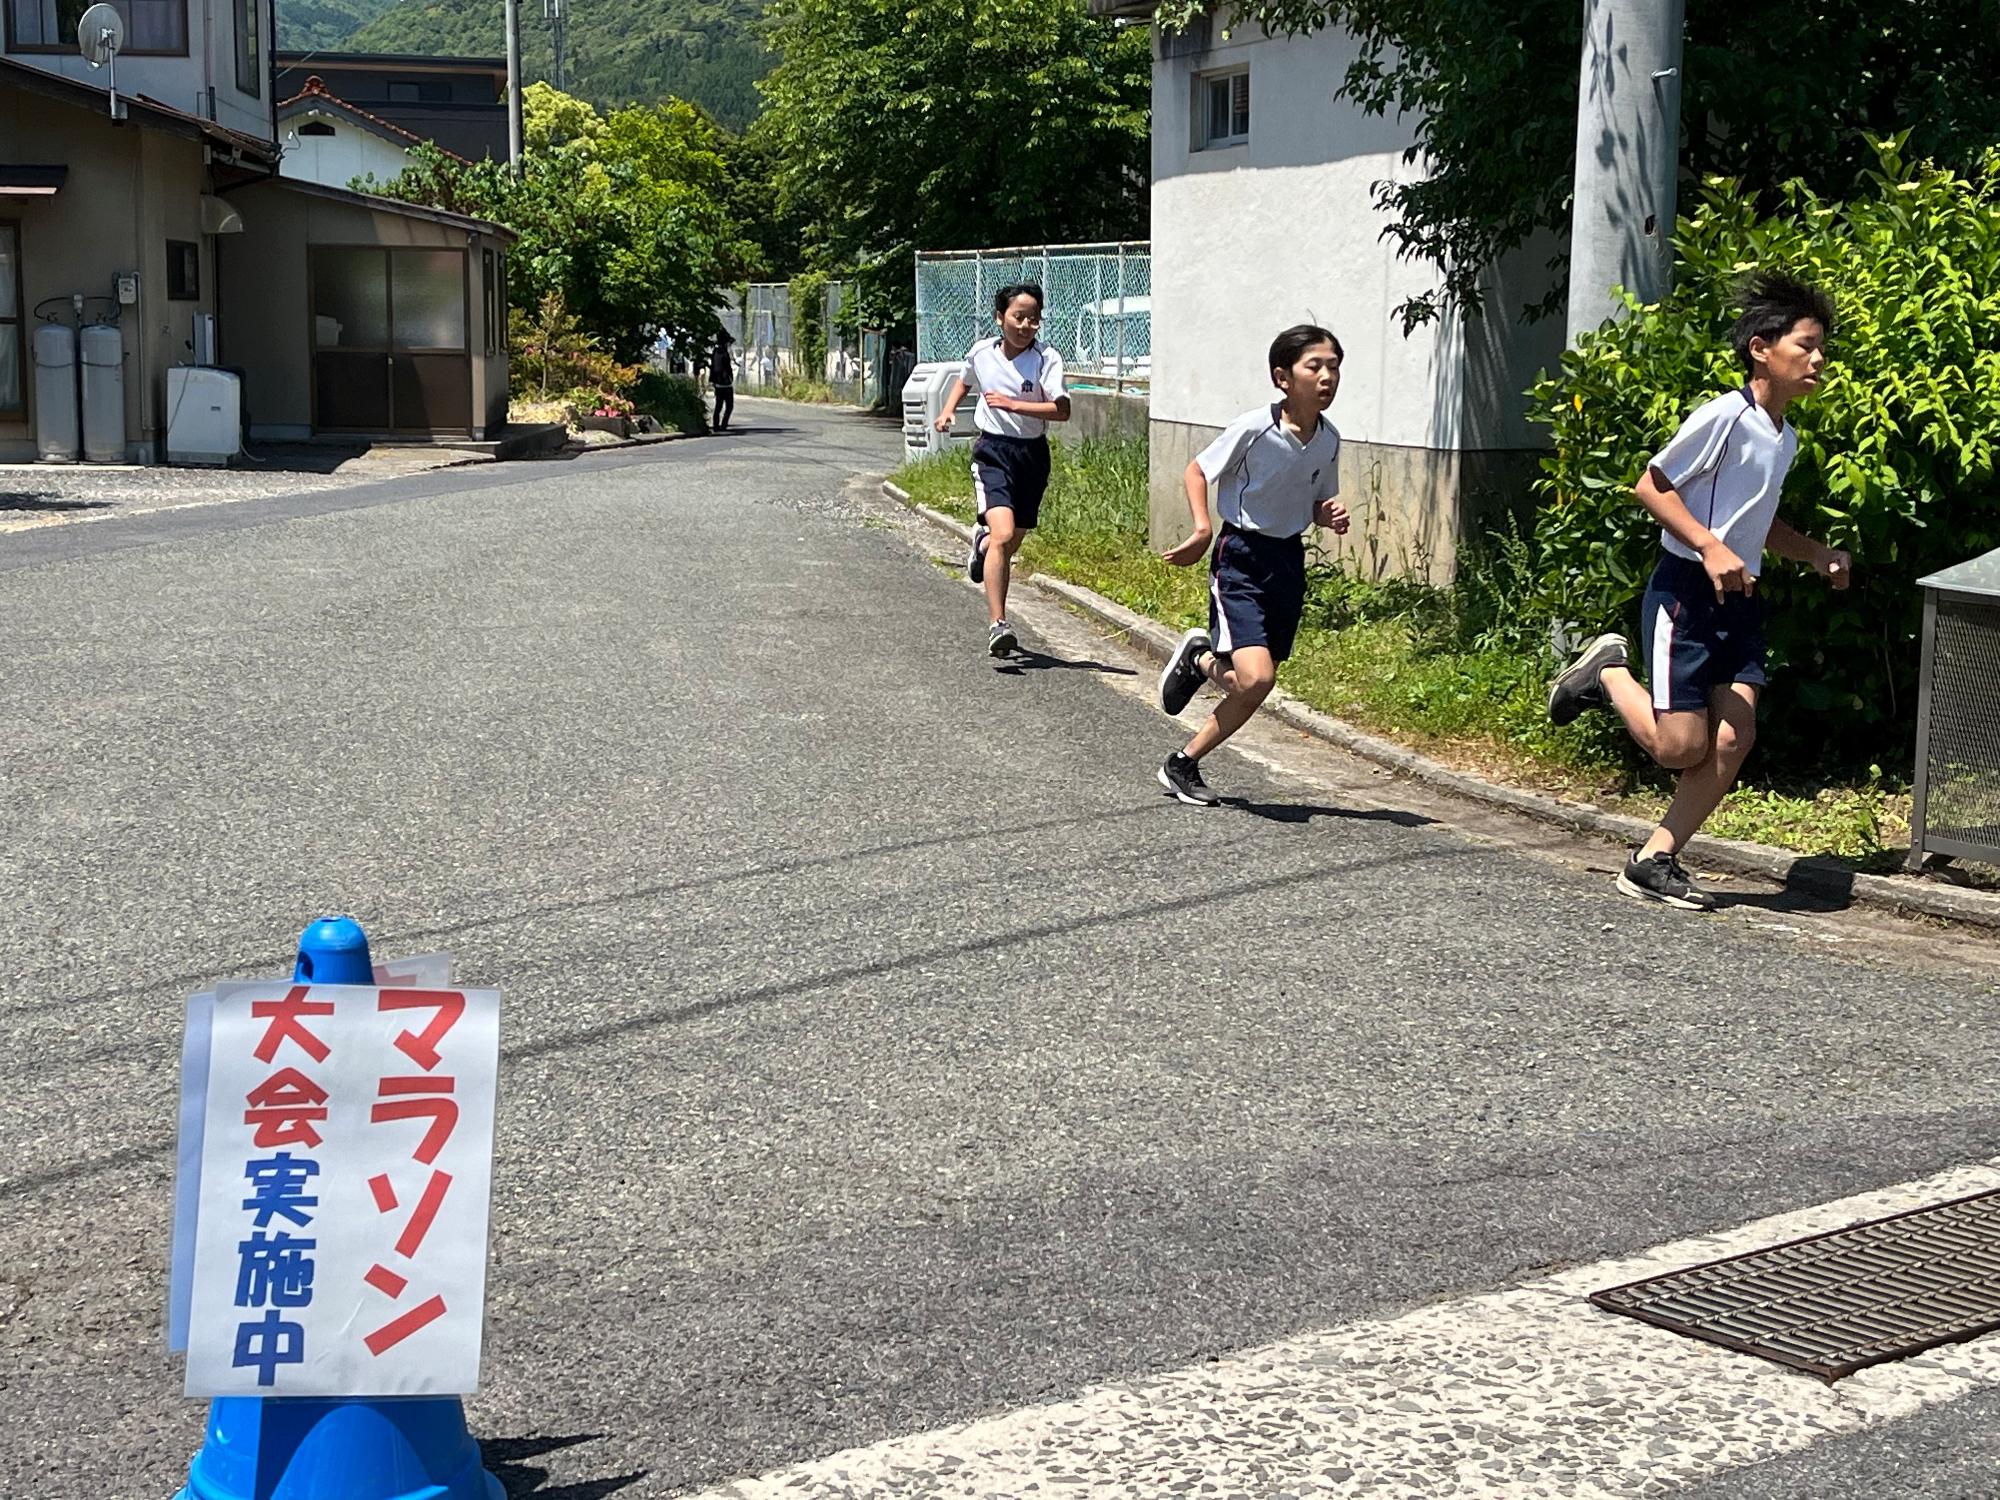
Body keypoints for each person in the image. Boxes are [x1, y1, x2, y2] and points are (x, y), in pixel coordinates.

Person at [1546, 273, 1852, 910]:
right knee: (1678, 748)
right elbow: (1651, 485)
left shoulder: (1783, 435)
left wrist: (1816, 554)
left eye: (1822, 347)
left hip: (1741, 600)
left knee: (1734, 738)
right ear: (1762, 349)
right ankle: (1606, 674)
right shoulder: (1725, 416)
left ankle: (1654, 858)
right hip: (1686, 593)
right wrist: (1710, 545)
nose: (1819, 359)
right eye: (1807, 345)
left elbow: (1758, 524)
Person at [1153, 324, 1349, 805]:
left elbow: (1317, 498)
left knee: (1253, 682)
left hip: (1287, 561)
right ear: (1283, 377)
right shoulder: (1255, 428)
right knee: (1258, 678)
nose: (1328, 376)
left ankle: (1182, 760)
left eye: (1335, 366)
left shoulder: (1329, 439)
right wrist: (1202, 528)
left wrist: (1326, 514)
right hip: (1240, 556)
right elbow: (1198, 469)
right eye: (1315, 366)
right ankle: (1201, 661)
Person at [933, 284, 1071, 657]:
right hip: (992, 452)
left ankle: (982, 545)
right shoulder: (982, 351)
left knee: (1008, 543)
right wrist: (947, 411)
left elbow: (1061, 410)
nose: (1026, 325)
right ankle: (998, 624)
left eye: (1033, 318)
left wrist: (1014, 405)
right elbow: (965, 380)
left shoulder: (1046, 358)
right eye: (1018, 317)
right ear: (1000, 318)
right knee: (1003, 533)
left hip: (1031, 456)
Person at [709, 332, 736, 432]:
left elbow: (713, 368)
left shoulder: (715, 352)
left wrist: (712, 380)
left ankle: (716, 426)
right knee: (729, 405)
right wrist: (730, 377)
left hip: (718, 383)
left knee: (718, 405)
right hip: (725, 383)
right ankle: (723, 425)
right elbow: (727, 368)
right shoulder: (724, 353)